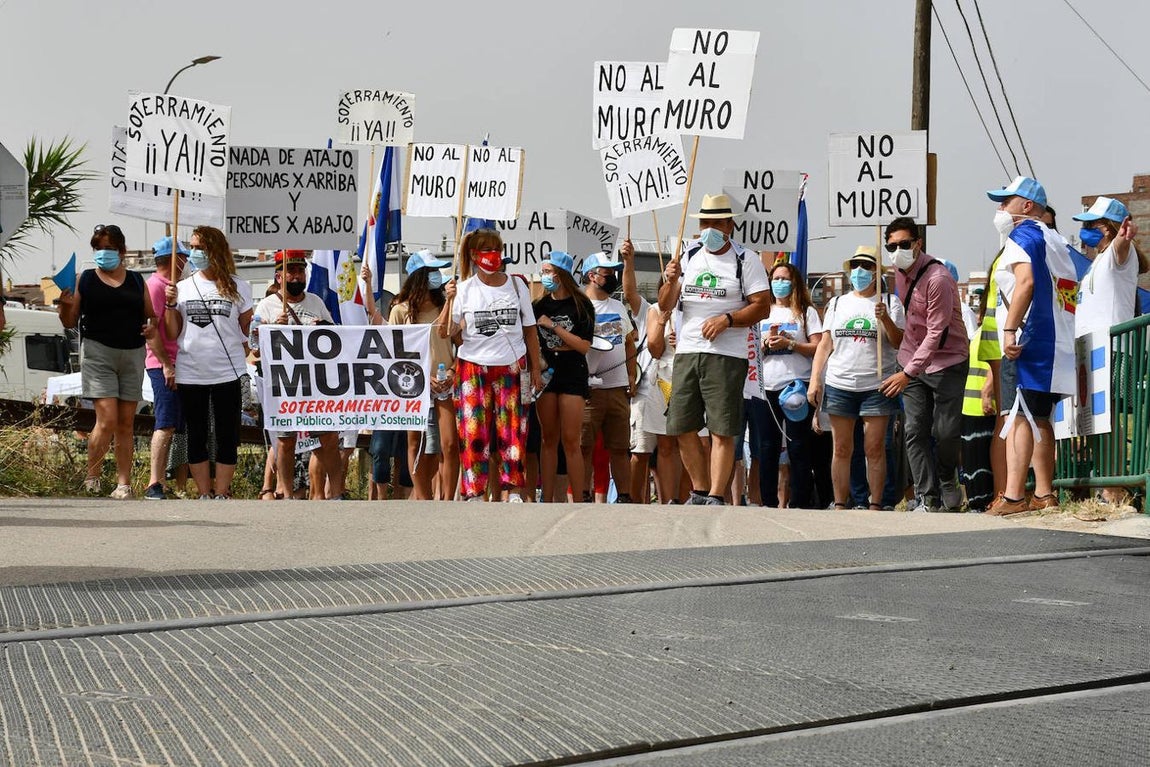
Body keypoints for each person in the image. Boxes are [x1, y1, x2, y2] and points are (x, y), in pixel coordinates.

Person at [657, 193, 772, 505]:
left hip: (726, 355)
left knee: (722, 428)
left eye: (716, 222)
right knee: (681, 425)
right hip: (687, 351)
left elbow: (763, 307)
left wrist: (728, 319)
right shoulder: (688, 254)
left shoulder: (746, 260)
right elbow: (666, 306)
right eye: (704, 222)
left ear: (729, 225)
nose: (709, 228)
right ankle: (699, 488)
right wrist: (669, 281)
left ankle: (716, 495)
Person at [983, 176, 1077, 516]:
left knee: (1019, 416)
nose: (1000, 208)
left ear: (1026, 206)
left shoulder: (1021, 235)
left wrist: (1009, 330)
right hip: (1053, 343)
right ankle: (1043, 493)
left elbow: (1026, 282)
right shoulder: (1055, 240)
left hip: (1026, 339)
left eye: (1006, 201)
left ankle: (1012, 497)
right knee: (1039, 416)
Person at [58, 223, 166, 499]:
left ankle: (123, 484)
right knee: (106, 419)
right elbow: (70, 321)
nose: (104, 253)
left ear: (122, 251)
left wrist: (152, 328)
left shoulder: (136, 281)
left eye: (109, 248)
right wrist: (64, 306)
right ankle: (92, 478)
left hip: (132, 353)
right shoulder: (85, 279)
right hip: (98, 352)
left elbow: (151, 316)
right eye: (99, 249)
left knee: (126, 423)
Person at [878, 217, 970, 512]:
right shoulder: (897, 271)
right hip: (911, 360)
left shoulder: (938, 279)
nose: (897, 251)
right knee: (914, 430)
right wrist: (907, 368)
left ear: (918, 244)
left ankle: (947, 480)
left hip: (947, 361)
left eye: (904, 245)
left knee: (944, 432)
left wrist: (906, 373)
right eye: (891, 246)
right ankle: (927, 497)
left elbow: (936, 333)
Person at [447, 228, 543, 502]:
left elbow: (530, 331)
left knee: (514, 429)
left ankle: (513, 490)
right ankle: (475, 491)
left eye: (497, 249)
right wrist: (450, 301)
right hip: (473, 367)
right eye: (487, 249)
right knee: (472, 431)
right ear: (475, 255)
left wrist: (535, 369)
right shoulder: (464, 289)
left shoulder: (517, 285)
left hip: (512, 367)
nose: (494, 255)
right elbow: (450, 330)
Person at [808, 246, 905, 510]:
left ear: (876, 271)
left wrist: (885, 319)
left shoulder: (890, 301)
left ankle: (875, 503)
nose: (860, 271)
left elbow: (898, 342)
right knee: (841, 448)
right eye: (856, 266)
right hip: (840, 384)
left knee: (874, 448)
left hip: (876, 385)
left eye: (866, 265)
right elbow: (825, 344)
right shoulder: (838, 303)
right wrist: (816, 379)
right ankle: (840, 503)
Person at [163, 225, 253, 500]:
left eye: (200, 247)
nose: (194, 252)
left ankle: (222, 491)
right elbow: (171, 332)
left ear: (215, 250)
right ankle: (204, 492)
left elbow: (248, 330)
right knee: (196, 434)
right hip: (191, 371)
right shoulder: (182, 287)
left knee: (227, 435)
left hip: (228, 370)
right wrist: (169, 306)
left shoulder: (240, 286)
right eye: (192, 247)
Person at [251, 250, 347, 500]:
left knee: (327, 437)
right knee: (285, 440)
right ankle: (287, 491)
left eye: (300, 270)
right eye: (290, 271)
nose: (296, 276)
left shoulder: (316, 302)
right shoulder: (267, 306)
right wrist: (271, 329)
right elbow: (253, 345)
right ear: (279, 276)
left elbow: (337, 337)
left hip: (316, 385)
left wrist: (323, 328)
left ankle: (337, 492)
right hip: (285, 386)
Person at [752, 259, 823, 508]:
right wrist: (764, 345)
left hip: (796, 387)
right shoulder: (761, 311)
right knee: (767, 448)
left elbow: (818, 348)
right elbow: (748, 350)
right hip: (764, 388)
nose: (779, 283)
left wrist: (790, 344)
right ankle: (768, 502)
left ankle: (800, 502)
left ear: (794, 283)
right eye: (775, 279)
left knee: (798, 446)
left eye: (785, 279)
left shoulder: (806, 312)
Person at [387, 250, 454, 500]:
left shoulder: (444, 307)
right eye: (432, 272)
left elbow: (458, 342)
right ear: (418, 276)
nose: (437, 277)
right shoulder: (400, 311)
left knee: (444, 445)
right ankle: (424, 500)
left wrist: (452, 370)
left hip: (444, 383)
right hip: (414, 385)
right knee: (416, 443)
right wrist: (423, 375)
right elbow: (394, 353)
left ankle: (442, 497)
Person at [532, 251, 594, 503]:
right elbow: (532, 339)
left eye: (548, 272)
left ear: (561, 274)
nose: (544, 276)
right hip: (547, 372)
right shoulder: (539, 305)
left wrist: (554, 327)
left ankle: (577, 499)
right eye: (543, 271)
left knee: (571, 440)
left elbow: (583, 346)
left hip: (573, 372)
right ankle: (546, 498)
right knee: (548, 438)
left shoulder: (581, 305)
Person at [581, 252, 637, 503]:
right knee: (584, 446)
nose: (612, 278)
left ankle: (624, 496)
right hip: (588, 389)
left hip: (617, 388)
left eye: (614, 273)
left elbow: (628, 342)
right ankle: (582, 494)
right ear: (592, 276)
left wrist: (632, 374)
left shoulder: (617, 307)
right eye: (608, 273)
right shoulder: (579, 304)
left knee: (620, 446)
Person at [141, 237, 189, 500]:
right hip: (163, 364)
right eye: (183, 258)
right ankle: (154, 482)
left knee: (175, 424)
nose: (186, 263)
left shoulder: (169, 288)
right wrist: (167, 365)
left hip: (175, 362)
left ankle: (164, 482)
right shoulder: (156, 287)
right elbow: (151, 330)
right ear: (174, 259)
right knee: (166, 422)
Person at [1073, 196, 1145, 337]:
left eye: (1089, 224)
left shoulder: (1118, 252)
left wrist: (1123, 237)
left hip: (1113, 347)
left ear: (1106, 229)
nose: (1084, 229)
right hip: (1092, 345)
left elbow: (1120, 244)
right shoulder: (1100, 257)